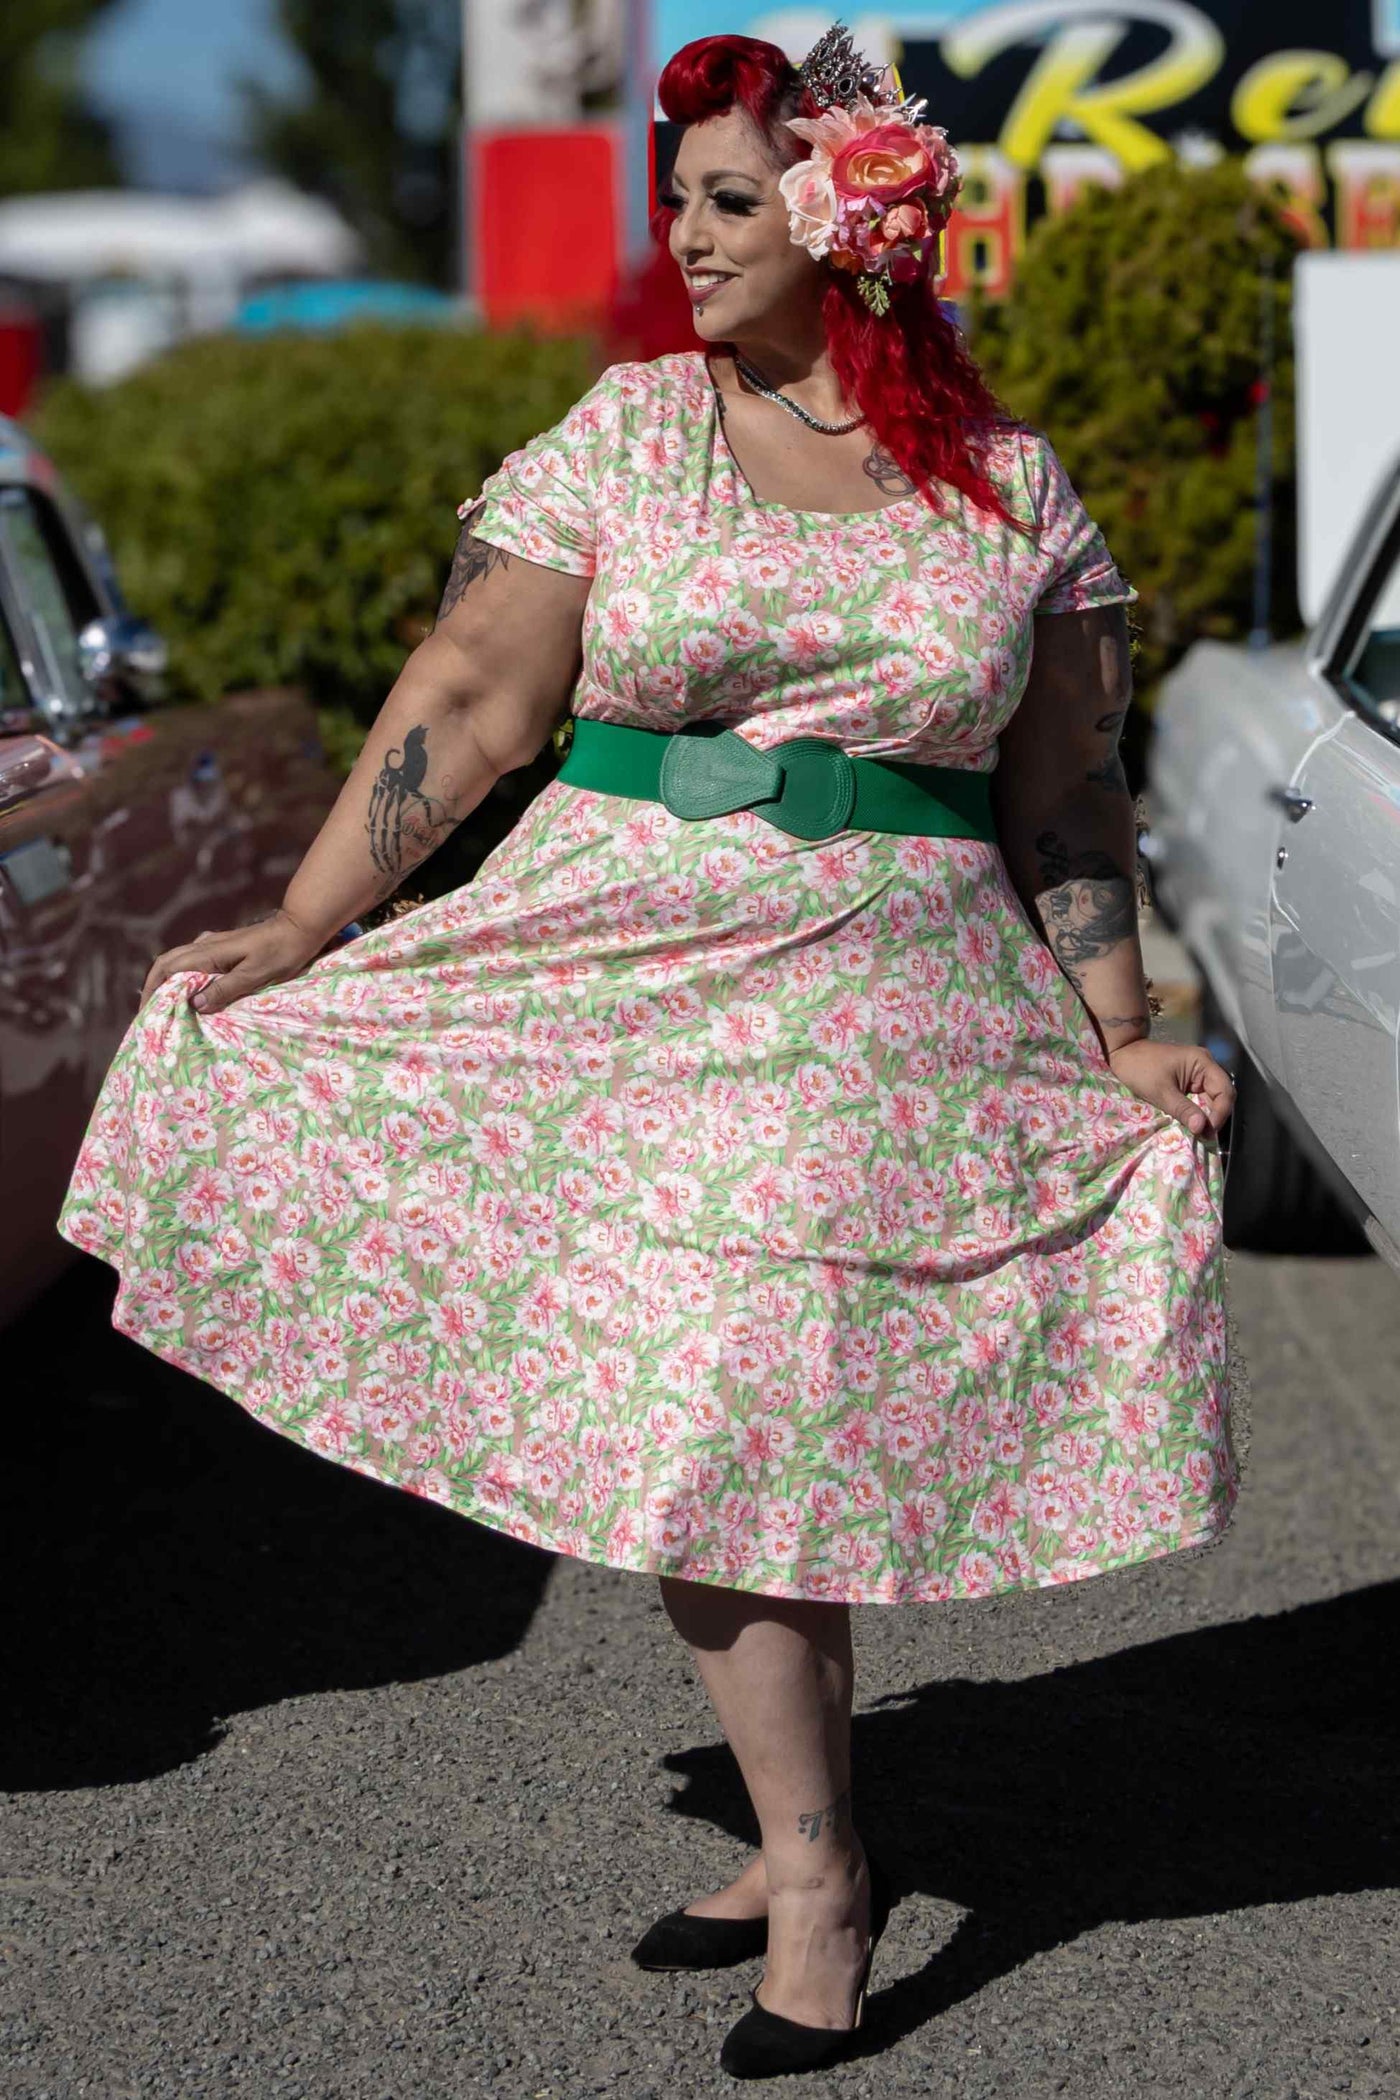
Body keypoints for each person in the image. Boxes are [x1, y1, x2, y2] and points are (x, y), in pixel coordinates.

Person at [57, 23, 1240, 2081]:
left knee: (750, 1410)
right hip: (619, 954)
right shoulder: (621, 436)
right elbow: (476, 693)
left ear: (845, 214)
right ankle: (816, 1856)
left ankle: (810, 1856)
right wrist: (312, 922)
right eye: (669, 198)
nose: (683, 236)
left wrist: (1119, 1028)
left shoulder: (1009, 489)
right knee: (717, 1406)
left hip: (891, 1004)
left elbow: (1067, 787)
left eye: (725, 196)